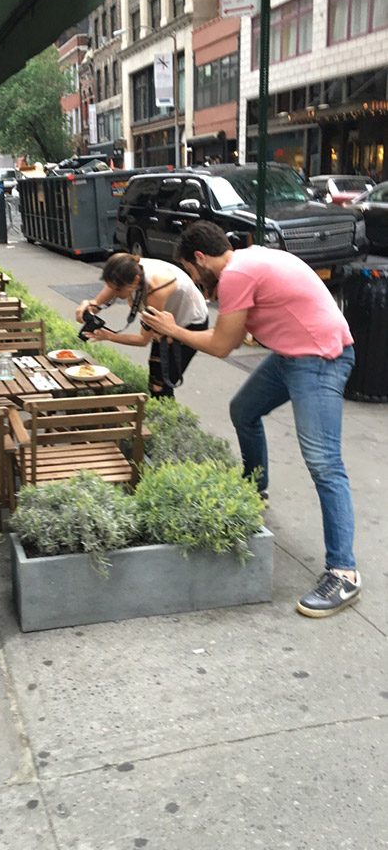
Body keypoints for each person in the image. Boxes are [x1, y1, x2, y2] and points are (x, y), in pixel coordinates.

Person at [140, 221, 359, 618]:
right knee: (243, 411)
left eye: (190, 269)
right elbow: (237, 336)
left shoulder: (234, 275)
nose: (192, 278)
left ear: (200, 258)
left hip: (320, 359)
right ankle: (256, 489)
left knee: (324, 464)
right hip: (291, 355)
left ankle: (343, 572)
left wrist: (174, 330)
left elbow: (223, 345)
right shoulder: (246, 261)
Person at [75, 252, 209, 398]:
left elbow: (143, 340)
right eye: (111, 287)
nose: (114, 293)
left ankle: (167, 417)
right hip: (166, 321)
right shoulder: (127, 269)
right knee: (154, 382)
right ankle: (159, 412)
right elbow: (103, 298)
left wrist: (108, 336)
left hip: (190, 323)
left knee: (163, 383)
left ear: (136, 280)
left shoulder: (156, 288)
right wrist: (89, 306)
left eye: (118, 290)